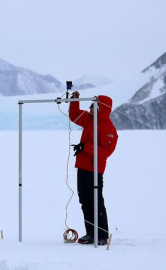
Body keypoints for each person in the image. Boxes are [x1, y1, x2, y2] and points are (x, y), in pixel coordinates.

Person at [68, 91, 118, 245]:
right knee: (85, 201)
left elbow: (105, 152)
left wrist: (87, 147)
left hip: (95, 170)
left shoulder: (108, 128)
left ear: (99, 108)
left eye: (92, 106)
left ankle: (102, 235)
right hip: (82, 167)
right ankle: (91, 233)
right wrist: (75, 100)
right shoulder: (89, 120)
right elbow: (74, 115)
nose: (89, 108)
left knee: (96, 202)